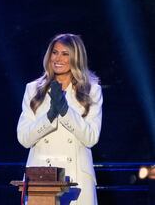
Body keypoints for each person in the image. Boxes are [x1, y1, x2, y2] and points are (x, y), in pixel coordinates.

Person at [16, 33, 103, 205]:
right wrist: (49, 118)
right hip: (41, 181)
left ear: (76, 58)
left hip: (77, 179)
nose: (58, 58)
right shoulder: (33, 90)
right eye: (55, 52)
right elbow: (24, 139)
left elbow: (91, 138)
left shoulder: (92, 90)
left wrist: (65, 111)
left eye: (65, 54)